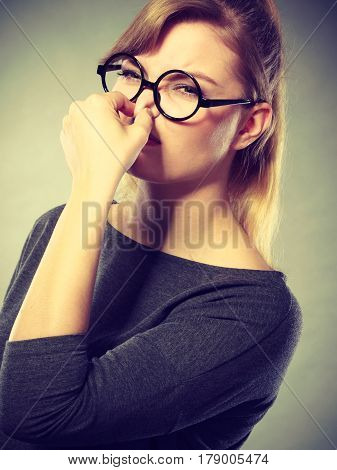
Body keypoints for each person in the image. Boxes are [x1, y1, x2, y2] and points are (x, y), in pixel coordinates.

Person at [0, 0, 303, 450]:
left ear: (248, 126)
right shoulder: (59, 228)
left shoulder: (255, 310)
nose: (141, 106)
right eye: (131, 73)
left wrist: (91, 182)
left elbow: (32, 414)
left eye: (183, 88)